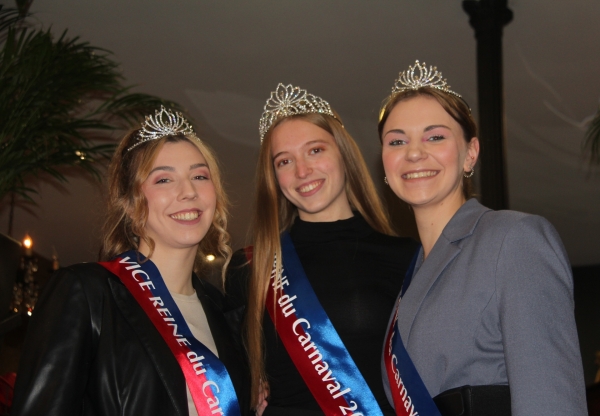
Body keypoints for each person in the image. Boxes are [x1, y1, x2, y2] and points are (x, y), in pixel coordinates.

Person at [378, 60, 587, 416]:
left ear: (470, 153)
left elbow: (552, 399)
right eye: (397, 140)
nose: (414, 153)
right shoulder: (409, 277)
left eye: (435, 136)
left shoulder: (514, 239)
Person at [11, 107, 250, 416]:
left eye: (199, 176)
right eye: (164, 179)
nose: (188, 191)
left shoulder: (226, 313)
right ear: (131, 202)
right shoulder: (87, 293)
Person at [225, 83, 419, 416]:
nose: (302, 171)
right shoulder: (249, 269)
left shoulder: (408, 257)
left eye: (315, 150)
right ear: (273, 178)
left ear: (343, 153)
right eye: (284, 161)